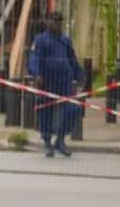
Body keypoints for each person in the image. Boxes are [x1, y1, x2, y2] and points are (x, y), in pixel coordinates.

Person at [26, 10, 81, 158]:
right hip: (47, 82)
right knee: (46, 112)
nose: (57, 24)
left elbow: (72, 59)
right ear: (47, 22)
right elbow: (34, 58)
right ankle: (47, 142)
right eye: (54, 20)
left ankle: (60, 139)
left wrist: (80, 77)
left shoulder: (65, 39)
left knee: (73, 109)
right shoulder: (40, 40)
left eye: (59, 21)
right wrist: (36, 74)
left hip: (64, 81)